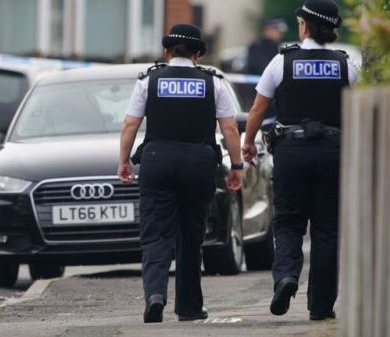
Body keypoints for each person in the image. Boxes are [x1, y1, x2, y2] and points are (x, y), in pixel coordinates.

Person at [117, 23, 244, 323]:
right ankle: (188, 307)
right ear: (198, 54)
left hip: (157, 160)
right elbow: (228, 128)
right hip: (198, 163)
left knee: (155, 233)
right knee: (190, 236)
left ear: (166, 51)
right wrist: (236, 167)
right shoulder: (212, 82)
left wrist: (124, 161)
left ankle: (155, 295)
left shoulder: (149, 80)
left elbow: (130, 125)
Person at [242, 0, 359, 321]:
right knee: (327, 230)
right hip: (333, 151)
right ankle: (320, 306)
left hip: (291, 151)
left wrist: (248, 142)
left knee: (289, 221)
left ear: (304, 26)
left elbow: (258, 108)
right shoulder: (346, 64)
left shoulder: (282, 62)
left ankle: (286, 277)